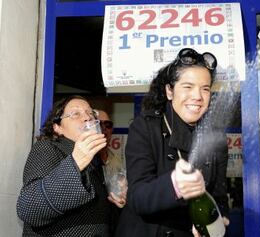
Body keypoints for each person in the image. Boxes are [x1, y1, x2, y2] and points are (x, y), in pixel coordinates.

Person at [115, 48, 229, 237]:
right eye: (188, 87)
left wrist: (217, 220)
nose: (198, 96)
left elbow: (219, 196)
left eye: (205, 89)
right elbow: (137, 197)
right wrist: (175, 185)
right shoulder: (145, 127)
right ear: (169, 91)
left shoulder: (215, 138)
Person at [16, 95, 125, 236]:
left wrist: (117, 202)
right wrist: (76, 162)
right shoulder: (48, 148)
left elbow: (97, 218)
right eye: (75, 114)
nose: (87, 118)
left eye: (90, 113)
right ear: (57, 127)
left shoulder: (95, 161)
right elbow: (29, 209)